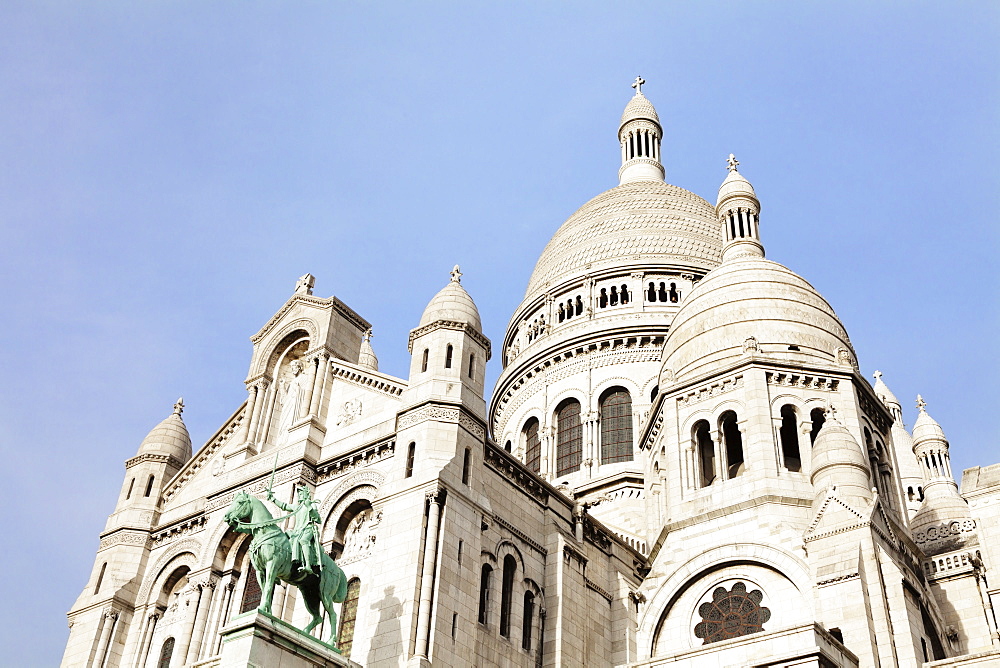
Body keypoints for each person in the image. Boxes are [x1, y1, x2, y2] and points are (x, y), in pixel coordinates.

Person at [266, 484, 322, 576]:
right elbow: (284, 506)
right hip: (298, 531)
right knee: (286, 539)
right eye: (298, 494)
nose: (299, 496)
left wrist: (309, 507)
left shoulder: (312, 505)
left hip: (308, 529)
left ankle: (308, 565)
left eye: (301, 494)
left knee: (303, 540)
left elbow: (318, 519)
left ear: (306, 494)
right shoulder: (297, 507)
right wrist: (272, 499)